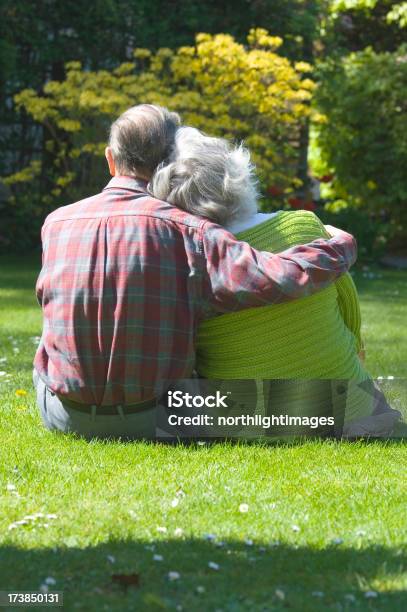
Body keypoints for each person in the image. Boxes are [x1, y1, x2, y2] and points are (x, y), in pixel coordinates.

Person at [33, 104, 357, 440]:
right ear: (171, 161)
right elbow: (279, 276)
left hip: (64, 415)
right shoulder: (189, 229)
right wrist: (340, 245)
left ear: (110, 159)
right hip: (159, 417)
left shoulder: (56, 222)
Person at [150, 126, 402, 438]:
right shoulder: (302, 225)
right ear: (238, 174)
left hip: (244, 422)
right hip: (348, 410)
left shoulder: (185, 257)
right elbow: (349, 310)